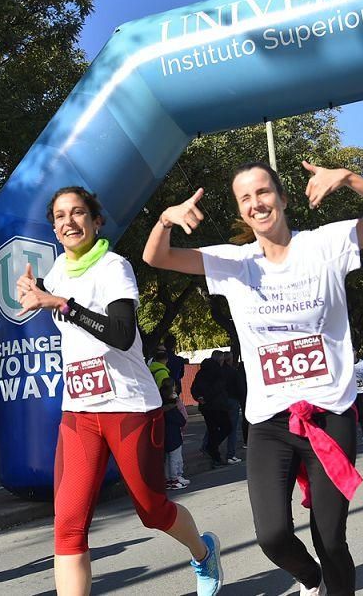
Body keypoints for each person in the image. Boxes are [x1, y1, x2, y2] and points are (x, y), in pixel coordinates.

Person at [144, 160, 363, 596]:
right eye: (245, 197)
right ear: (241, 211)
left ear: (283, 199)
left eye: (264, 192)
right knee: (271, 536)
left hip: (328, 414)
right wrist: (164, 220)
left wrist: (348, 178)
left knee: (330, 538)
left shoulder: (325, 245)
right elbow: (156, 256)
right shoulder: (232, 263)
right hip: (269, 421)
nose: (256, 203)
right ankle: (311, 581)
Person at [16, 187, 221, 596]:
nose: (68, 222)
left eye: (78, 213)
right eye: (60, 216)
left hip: (129, 408)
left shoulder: (114, 267)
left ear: (95, 221)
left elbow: (123, 335)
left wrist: (61, 303)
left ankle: (202, 552)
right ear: (55, 228)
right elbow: (52, 297)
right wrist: (35, 289)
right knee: (69, 523)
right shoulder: (55, 272)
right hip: (78, 412)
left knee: (152, 510)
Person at [192, 357, 232, 467]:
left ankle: (215, 454)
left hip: (206, 407)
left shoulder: (200, 374)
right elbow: (217, 388)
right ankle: (212, 448)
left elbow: (193, 388)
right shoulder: (217, 373)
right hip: (218, 406)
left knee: (212, 430)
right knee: (226, 427)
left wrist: (199, 398)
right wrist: (207, 398)